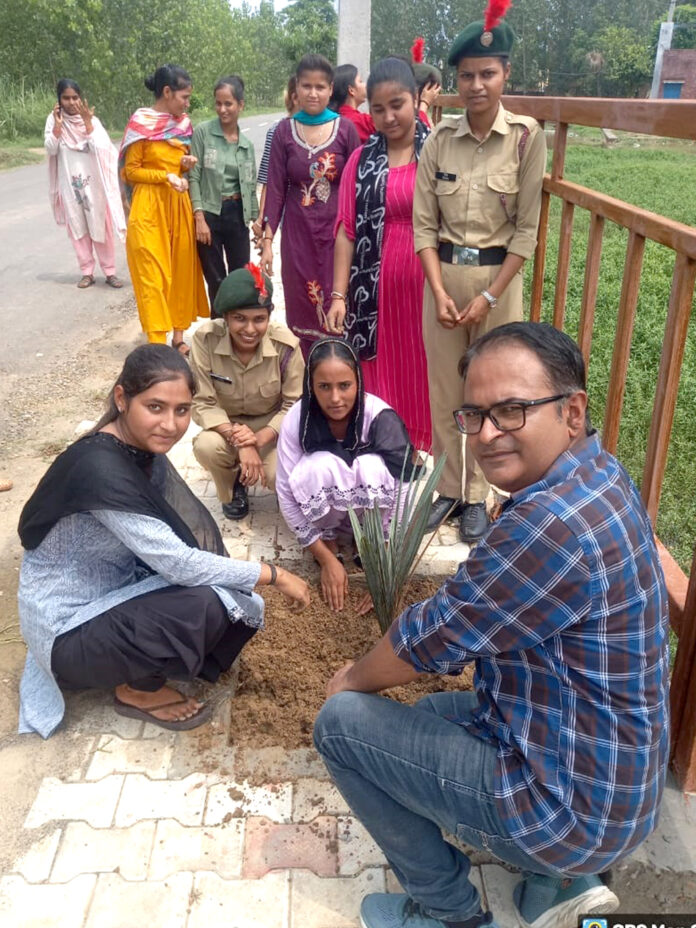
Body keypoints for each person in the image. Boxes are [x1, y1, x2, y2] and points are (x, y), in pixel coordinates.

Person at [314, 322, 669, 928]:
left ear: (572, 410)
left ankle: (449, 910)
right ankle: (554, 886)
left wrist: (348, 679)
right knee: (422, 719)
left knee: (344, 727)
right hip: (612, 778)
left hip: (570, 811)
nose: (488, 434)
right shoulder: (597, 473)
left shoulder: (549, 525)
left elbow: (432, 636)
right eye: (474, 416)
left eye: (511, 410)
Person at [17, 344, 310, 739]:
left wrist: (239, 577)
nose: (170, 424)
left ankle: (148, 660)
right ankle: (135, 690)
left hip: (110, 590)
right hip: (66, 630)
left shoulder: (135, 449)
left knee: (219, 595)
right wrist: (273, 574)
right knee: (201, 604)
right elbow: (179, 563)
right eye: (155, 407)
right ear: (122, 398)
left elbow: (175, 547)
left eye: (182, 410)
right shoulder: (101, 469)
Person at [414, 10, 547, 542]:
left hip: (498, 283)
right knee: (446, 390)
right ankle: (449, 489)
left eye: (486, 73)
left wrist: (490, 296)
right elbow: (424, 226)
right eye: (467, 75)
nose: (476, 85)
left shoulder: (524, 137)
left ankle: (479, 495)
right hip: (443, 279)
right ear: (456, 80)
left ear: (504, 75)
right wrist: (441, 291)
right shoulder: (438, 139)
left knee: (491, 394)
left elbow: (526, 230)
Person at [329, 57, 432, 452]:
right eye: (378, 108)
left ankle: (432, 456)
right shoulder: (361, 160)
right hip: (374, 298)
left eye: (398, 105)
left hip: (427, 290)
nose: (389, 117)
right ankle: (389, 449)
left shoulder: (437, 154)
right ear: (367, 108)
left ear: (416, 99)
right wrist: (339, 295)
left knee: (425, 373)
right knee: (382, 375)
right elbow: (346, 233)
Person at [276, 338, 416, 612]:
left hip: (371, 516)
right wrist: (326, 559)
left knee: (371, 466)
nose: (336, 398)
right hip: (325, 514)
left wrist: (388, 566)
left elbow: (405, 489)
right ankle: (329, 542)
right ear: (311, 387)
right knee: (320, 465)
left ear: (359, 382)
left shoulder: (379, 417)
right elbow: (284, 492)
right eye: (324, 387)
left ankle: (372, 542)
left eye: (345, 386)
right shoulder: (298, 418)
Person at [261, 54, 360, 358]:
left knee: (339, 307)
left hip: (338, 240)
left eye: (320, 87)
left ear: (331, 90)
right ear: (296, 90)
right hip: (298, 240)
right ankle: (307, 377)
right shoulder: (283, 132)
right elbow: (276, 190)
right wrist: (266, 243)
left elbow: (358, 186)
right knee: (303, 310)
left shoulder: (345, 131)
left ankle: (341, 379)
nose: (313, 93)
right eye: (306, 86)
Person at [190, 265, 304, 520]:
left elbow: (294, 404)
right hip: (226, 426)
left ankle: (264, 475)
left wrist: (257, 440)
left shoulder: (286, 346)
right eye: (240, 318)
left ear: (268, 317)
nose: (250, 329)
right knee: (206, 447)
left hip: (271, 427)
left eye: (259, 319)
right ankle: (232, 488)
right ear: (226, 318)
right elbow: (202, 402)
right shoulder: (205, 340)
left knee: (278, 476)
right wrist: (240, 441)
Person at [120, 64, 208, 353]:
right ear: (167, 92)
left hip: (177, 205)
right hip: (148, 209)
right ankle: (157, 343)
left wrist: (183, 165)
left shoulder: (183, 125)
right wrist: (164, 176)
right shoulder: (140, 124)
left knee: (180, 272)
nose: (187, 103)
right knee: (152, 276)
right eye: (183, 97)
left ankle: (179, 337)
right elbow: (130, 171)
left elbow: (178, 160)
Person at [44, 78, 126, 289]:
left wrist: (88, 124)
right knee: (78, 227)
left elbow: (103, 149)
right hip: (70, 185)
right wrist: (58, 130)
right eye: (66, 98)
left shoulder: (93, 120)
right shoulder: (53, 121)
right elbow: (51, 149)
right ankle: (87, 272)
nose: (71, 102)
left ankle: (109, 272)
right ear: (59, 100)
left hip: (95, 185)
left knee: (101, 226)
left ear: (80, 98)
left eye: (75, 97)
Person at [189, 75, 259, 311]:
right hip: (209, 213)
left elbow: (250, 186)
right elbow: (194, 176)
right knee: (215, 278)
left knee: (241, 277)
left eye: (228, 104)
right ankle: (217, 331)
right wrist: (199, 217)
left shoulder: (247, 145)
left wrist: (256, 222)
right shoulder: (203, 133)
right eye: (218, 103)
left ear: (241, 105)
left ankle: (237, 332)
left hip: (237, 214)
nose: (222, 109)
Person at [252, 77, 299, 246]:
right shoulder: (277, 131)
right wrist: (262, 220)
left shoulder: (325, 131)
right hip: (289, 214)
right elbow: (268, 180)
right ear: (295, 97)